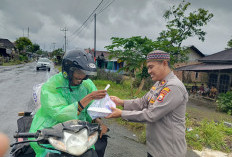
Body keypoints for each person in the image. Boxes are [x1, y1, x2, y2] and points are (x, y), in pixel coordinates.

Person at [106, 50, 189, 157]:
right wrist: (121, 102)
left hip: (168, 151)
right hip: (156, 148)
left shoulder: (173, 87)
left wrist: (121, 113)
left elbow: (152, 114)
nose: (149, 71)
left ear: (164, 63)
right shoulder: (159, 84)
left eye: (151, 67)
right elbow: (142, 102)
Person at [29, 49, 107, 157]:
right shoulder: (52, 85)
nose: (81, 77)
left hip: (78, 134)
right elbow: (60, 114)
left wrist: (98, 122)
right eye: (79, 72)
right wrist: (89, 97)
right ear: (68, 70)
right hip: (51, 131)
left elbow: (89, 111)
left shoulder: (87, 85)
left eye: (84, 73)